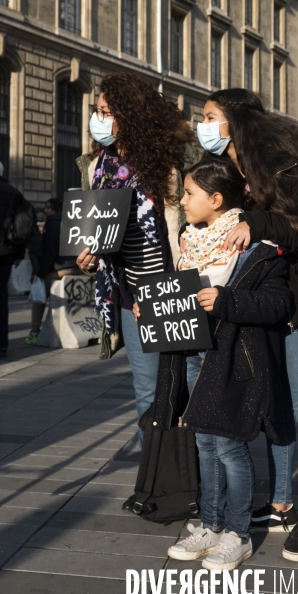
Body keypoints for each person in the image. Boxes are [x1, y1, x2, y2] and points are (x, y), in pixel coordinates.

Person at [199, 89, 298, 562]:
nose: (201, 125)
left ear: (235, 121)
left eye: (209, 117)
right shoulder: (233, 172)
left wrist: (258, 222)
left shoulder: (277, 163)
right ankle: (282, 502)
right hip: (259, 303)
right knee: (277, 407)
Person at [134, 158, 290, 571]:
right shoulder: (188, 241)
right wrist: (150, 310)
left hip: (233, 359)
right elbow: (177, 296)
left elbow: (277, 304)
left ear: (216, 199)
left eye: (189, 194)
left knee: (229, 445)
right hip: (192, 356)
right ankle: (211, 523)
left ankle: (237, 533)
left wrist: (227, 300)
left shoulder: (255, 246)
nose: (183, 201)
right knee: (202, 441)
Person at [75, 72, 199, 467]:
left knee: (190, 384)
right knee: (147, 389)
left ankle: (198, 472)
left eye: (107, 111)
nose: (99, 119)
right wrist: (89, 252)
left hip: (173, 287)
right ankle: (157, 476)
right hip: (128, 292)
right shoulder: (97, 166)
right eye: (97, 111)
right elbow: (96, 230)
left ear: (130, 115)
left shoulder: (173, 160)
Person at [0, 159, 28, 358]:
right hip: (5, 253)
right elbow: (24, 224)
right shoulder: (14, 193)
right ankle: (0, 346)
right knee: (0, 300)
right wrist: (18, 254)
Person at [25, 198, 80, 343]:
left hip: (62, 268)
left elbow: (50, 252)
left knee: (39, 293)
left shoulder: (53, 223)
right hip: (78, 268)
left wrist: (40, 274)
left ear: (55, 209)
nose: (45, 210)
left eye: (48, 207)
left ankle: (34, 331)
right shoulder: (73, 220)